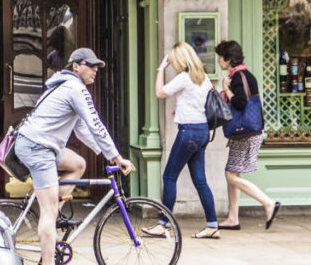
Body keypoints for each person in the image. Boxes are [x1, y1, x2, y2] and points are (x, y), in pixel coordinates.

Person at [15, 47, 135, 265]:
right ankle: (49, 245)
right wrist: (116, 156)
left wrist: (103, 153)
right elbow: (96, 124)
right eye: (91, 65)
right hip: (38, 147)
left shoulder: (68, 86)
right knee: (48, 212)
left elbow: (82, 128)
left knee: (78, 164)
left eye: (97, 66)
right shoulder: (75, 88)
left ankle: (55, 211)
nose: (95, 70)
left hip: (40, 144)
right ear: (76, 66)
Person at [142, 42, 218, 239]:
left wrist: (160, 68)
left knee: (169, 177)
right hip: (202, 132)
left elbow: (160, 93)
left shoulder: (184, 77)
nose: (173, 65)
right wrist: (181, 110)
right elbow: (199, 103)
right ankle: (212, 225)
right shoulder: (203, 77)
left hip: (189, 133)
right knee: (200, 180)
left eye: (174, 61)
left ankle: (163, 224)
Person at [216, 40, 281, 230]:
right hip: (246, 133)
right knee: (232, 172)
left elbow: (240, 104)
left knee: (230, 175)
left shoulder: (238, 77)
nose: (219, 61)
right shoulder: (245, 75)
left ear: (228, 59)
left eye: (220, 57)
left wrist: (226, 89)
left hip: (245, 133)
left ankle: (268, 203)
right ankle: (233, 218)